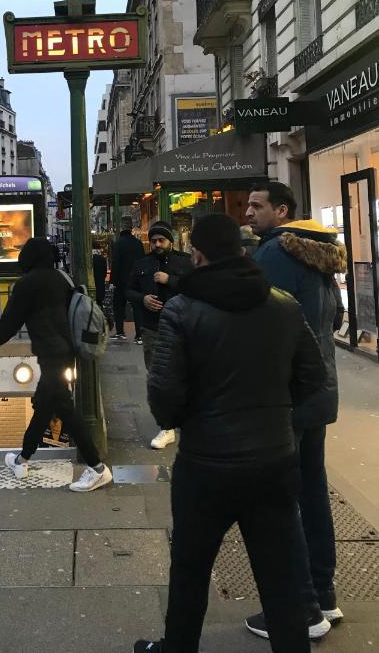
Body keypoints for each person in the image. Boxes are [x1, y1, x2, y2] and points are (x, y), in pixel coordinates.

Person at [135, 214, 326, 653]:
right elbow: (313, 380)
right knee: (280, 579)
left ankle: (177, 648)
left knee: (190, 572)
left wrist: (195, 416)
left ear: (197, 254)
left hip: (205, 466)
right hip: (273, 462)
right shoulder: (282, 303)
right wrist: (274, 406)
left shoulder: (182, 309)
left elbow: (164, 400)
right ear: (241, 252)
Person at [245, 181, 347, 639]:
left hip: (284, 395)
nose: (248, 213)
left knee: (279, 502)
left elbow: (254, 320)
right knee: (311, 490)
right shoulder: (320, 254)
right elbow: (337, 318)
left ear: (281, 210)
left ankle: (299, 610)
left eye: (256, 206)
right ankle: (322, 592)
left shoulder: (274, 255)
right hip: (319, 388)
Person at [0, 237, 112, 492]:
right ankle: (22, 459)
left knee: (66, 412)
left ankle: (98, 468)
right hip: (66, 353)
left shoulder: (27, 285)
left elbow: (9, 324)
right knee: (43, 406)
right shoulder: (61, 278)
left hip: (51, 356)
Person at [126, 220, 192, 450]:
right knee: (157, 377)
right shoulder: (142, 263)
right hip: (152, 328)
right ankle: (166, 427)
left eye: (161, 240)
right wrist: (142, 299)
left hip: (182, 328)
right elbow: (129, 290)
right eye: (153, 241)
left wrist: (170, 280)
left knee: (184, 374)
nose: (156, 244)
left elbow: (196, 286)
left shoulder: (185, 262)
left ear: (170, 241)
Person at [110, 217, 145, 342]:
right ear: (131, 228)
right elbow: (142, 262)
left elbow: (115, 263)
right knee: (137, 307)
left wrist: (112, 281)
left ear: (121, 227)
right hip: (136, 281)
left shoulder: (118, 243)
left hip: (121, 281)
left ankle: (120, 332)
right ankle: (139, 335)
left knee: (119, 306)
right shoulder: (138, 243)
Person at [91, 240, 108, 308]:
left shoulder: (89, 258)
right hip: (100, 283)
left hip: (91, 283)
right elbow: (105, 273)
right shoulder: (102, 258)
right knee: (99, 302)